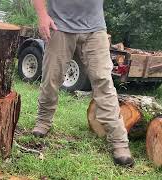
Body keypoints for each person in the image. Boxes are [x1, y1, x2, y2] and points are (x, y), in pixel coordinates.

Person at [32, 0, 135, 167]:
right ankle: (43, 121)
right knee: (51, 78)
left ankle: (119, 142)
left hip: (95, 28)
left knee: (104, 82)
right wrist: (43, 16)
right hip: (59, 25)